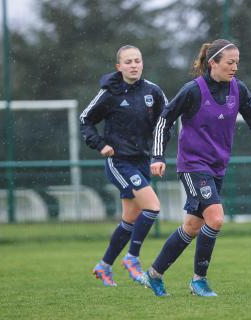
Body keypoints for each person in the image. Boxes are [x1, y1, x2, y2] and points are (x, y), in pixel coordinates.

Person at [143, 39, 251, 296]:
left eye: (237, 62)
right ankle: (198, 280)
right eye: (229, 62)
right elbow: (164, 121)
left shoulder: (239, 89)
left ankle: (154, 274)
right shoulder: (193, 90)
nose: (235, 67)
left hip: (217, 166)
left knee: (192, 226)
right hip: (193, 165)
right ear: (213, 62)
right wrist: (157, 156)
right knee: (215, 218)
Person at [79, 45, 168, 287]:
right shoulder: (110, 92)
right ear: (119, 67)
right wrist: (99, 144)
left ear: (142, 63)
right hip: (119, 162)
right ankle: (132, 258)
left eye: (137, 60)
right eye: (128, 62)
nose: (134, 65)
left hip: (142, 161)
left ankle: (104, 266)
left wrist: (158, 156)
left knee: (130, 219)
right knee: (152, 207)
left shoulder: (154, 91)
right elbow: (86, 119)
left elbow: (164, 125)